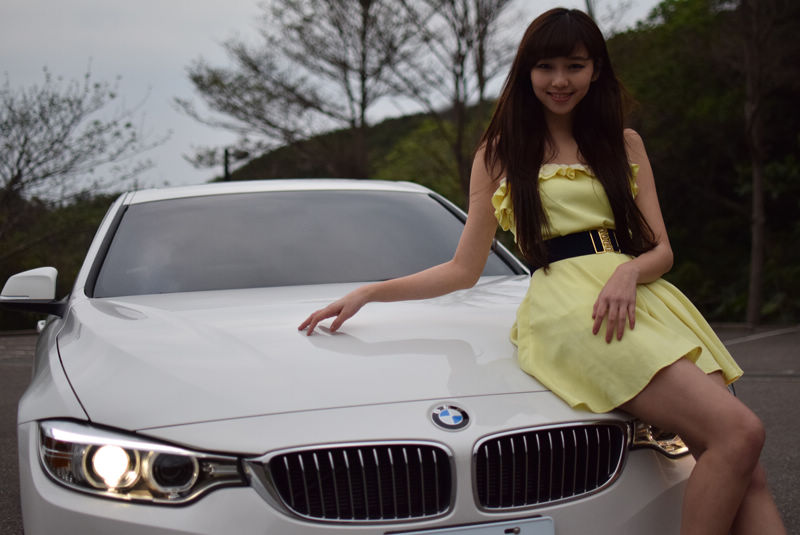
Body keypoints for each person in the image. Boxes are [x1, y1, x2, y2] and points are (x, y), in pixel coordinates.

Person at [299, 8, 786, 535]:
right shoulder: (500, 155)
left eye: (575, 66)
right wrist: (371, 292)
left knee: (745, 466)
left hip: (642, 296)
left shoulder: (623, 143)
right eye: (546, 66)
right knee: (739, 433)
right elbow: (464, 269)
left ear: (595, 71)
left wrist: (628, 273)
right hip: (577, 309)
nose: (560, 80)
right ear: (526, 71)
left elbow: (661, 251)